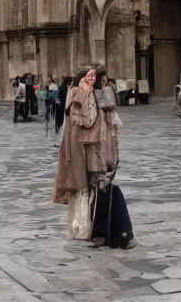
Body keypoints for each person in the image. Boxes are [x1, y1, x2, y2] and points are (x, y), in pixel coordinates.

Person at [53, 67, 136, 249]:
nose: (104, 84)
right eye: (101, 80)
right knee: (95, 190)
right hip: (87, 153)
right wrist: (86, 93)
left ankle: (102, 232)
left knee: (100, 190)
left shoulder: (99, 96)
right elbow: (86, 121)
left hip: (100, 152)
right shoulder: (78, 95)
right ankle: (99, 232)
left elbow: (110, 126)